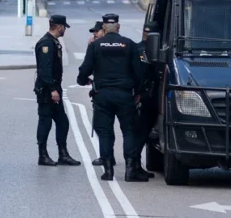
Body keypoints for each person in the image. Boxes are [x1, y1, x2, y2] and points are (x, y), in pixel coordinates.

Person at [77, 12, 149, 182]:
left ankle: (108, 171)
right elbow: (138, 73)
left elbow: (85, 69)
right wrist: (138, 92)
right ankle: (131, 171)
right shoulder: (129, 44)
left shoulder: (95, 45)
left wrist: (83, 81)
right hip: (124, 95)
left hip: (103, 96)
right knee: (129, 132)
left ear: (103, 27)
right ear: (118, 26)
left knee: (105, 132)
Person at [34, 15, 79, 167]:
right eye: (64, 27)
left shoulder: (54, 42)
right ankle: (43, 154)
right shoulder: (46, 43)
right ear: (58, 26)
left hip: (54, 88)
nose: (65, 29)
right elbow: (44, 70)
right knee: (45, 122)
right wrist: (53, 89)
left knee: (63, 122)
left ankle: (63, 153)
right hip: (47, 90)